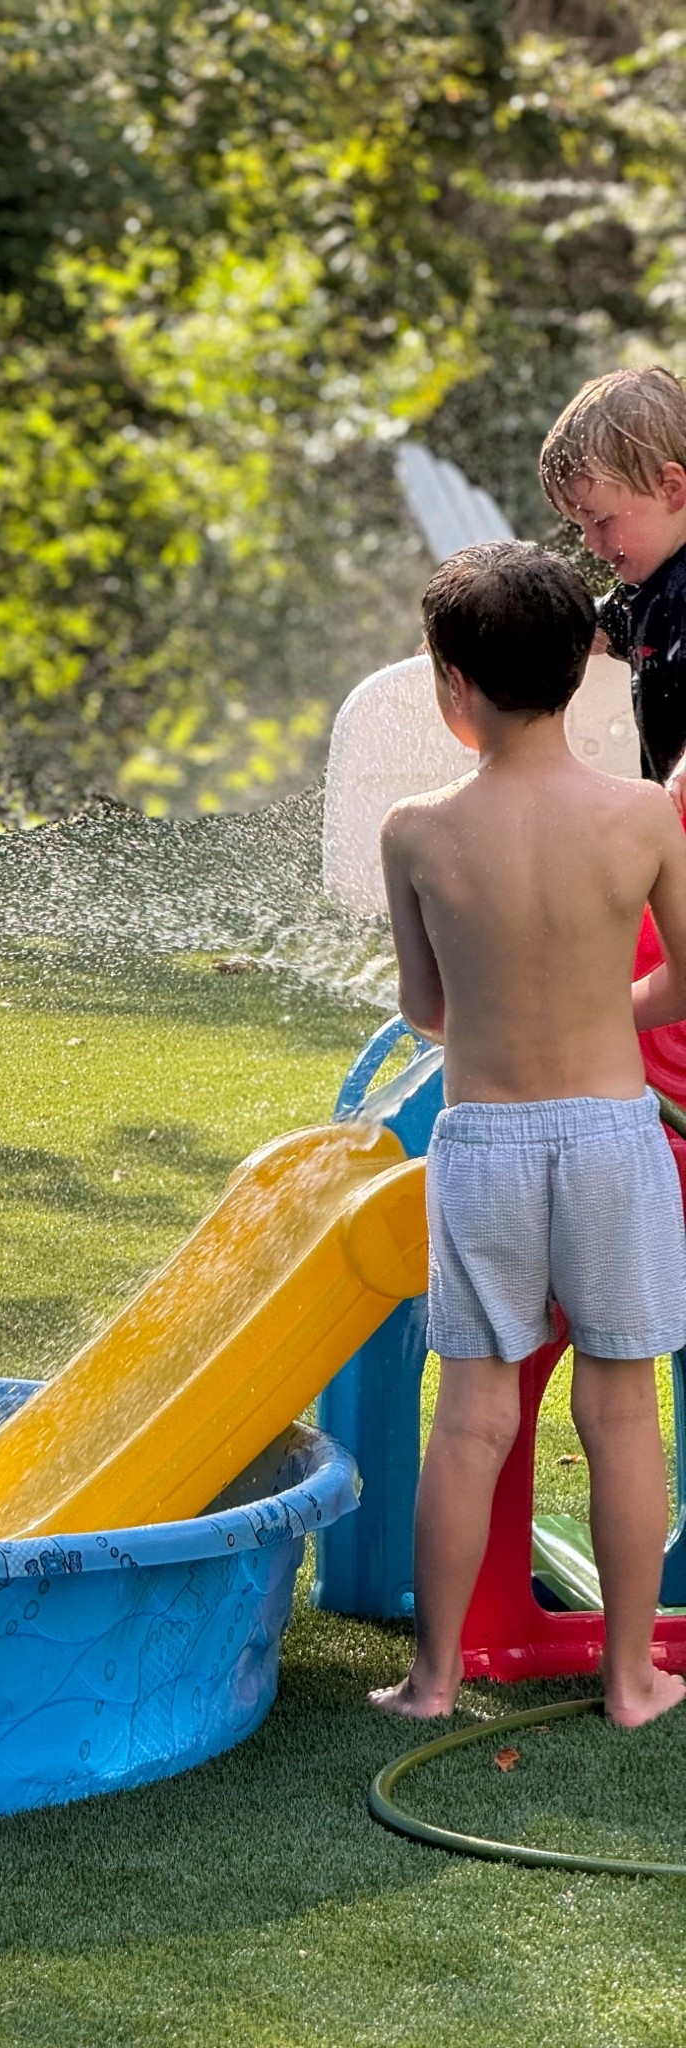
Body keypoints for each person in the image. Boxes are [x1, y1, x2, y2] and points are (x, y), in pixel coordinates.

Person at [370, 540, 686, 1727]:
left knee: (473, 1415)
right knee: (620, 1408)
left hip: (487, 1142)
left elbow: (427, 1007)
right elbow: (683, 981)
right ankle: (631, 1680)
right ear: (577, 669)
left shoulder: (416, 829)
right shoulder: (642, 815)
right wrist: (601, 1007)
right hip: (612, 1139)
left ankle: (433, 1680)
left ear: (454, 683)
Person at [540, 364, 686, 799]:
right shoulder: (640, 599)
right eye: (580, 526)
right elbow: (579, 624)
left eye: (601, 520)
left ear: (671, 489)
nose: (589, 542)